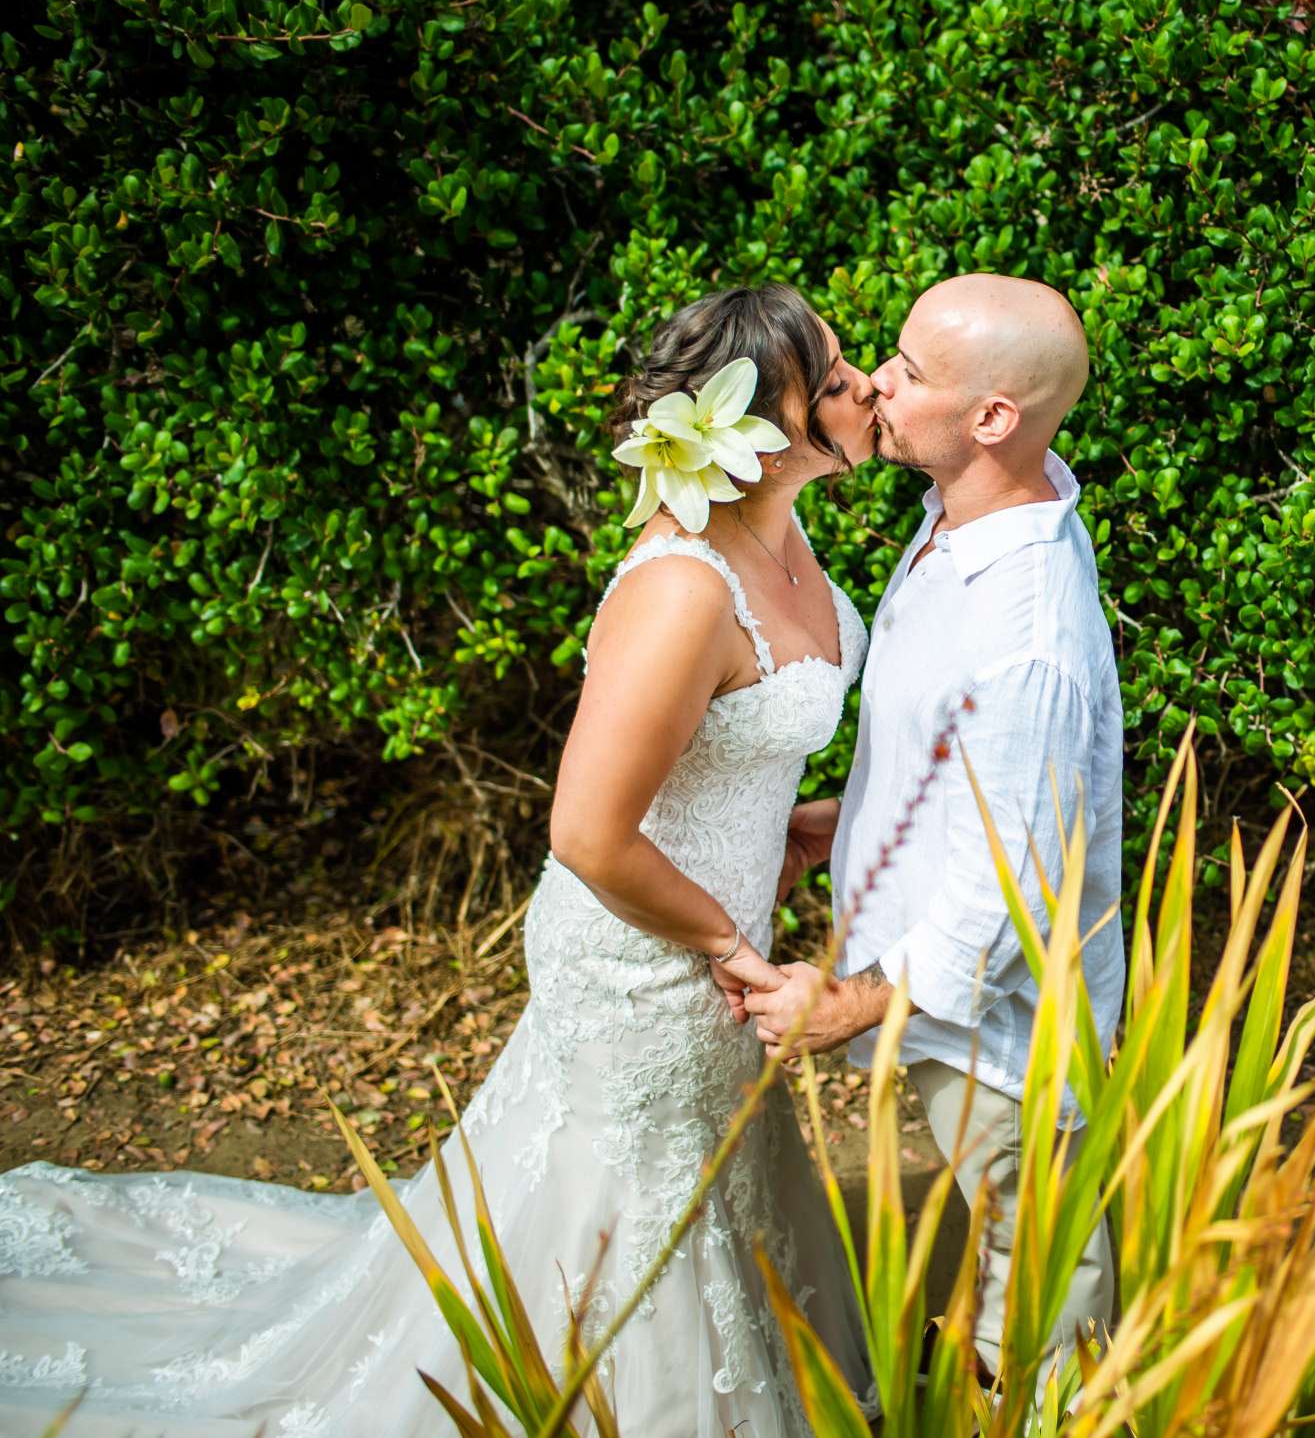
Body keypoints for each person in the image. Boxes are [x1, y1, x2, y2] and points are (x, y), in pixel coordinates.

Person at [0, 285, 879, 1436]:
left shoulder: (787, 527)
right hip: (646, 947)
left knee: (701, 1166)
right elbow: (587, 832)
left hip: (720, 933)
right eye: (839, 374)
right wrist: (723, 937)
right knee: (621, 1189)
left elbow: (727, 751)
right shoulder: (681, 592)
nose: (869, 384)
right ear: (762, 426)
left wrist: (798, 822)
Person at [742, 273, 1123, 1378]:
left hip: (1002, 1039)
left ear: (992, 418)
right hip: (950, 1008)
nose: (877, 385)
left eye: (909, 371)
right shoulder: (978, 509)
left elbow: (1010, 887)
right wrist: (843, 817)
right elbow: (976, 771)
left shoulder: (1025, 630)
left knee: (1042, 1295)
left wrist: (854, 1000)